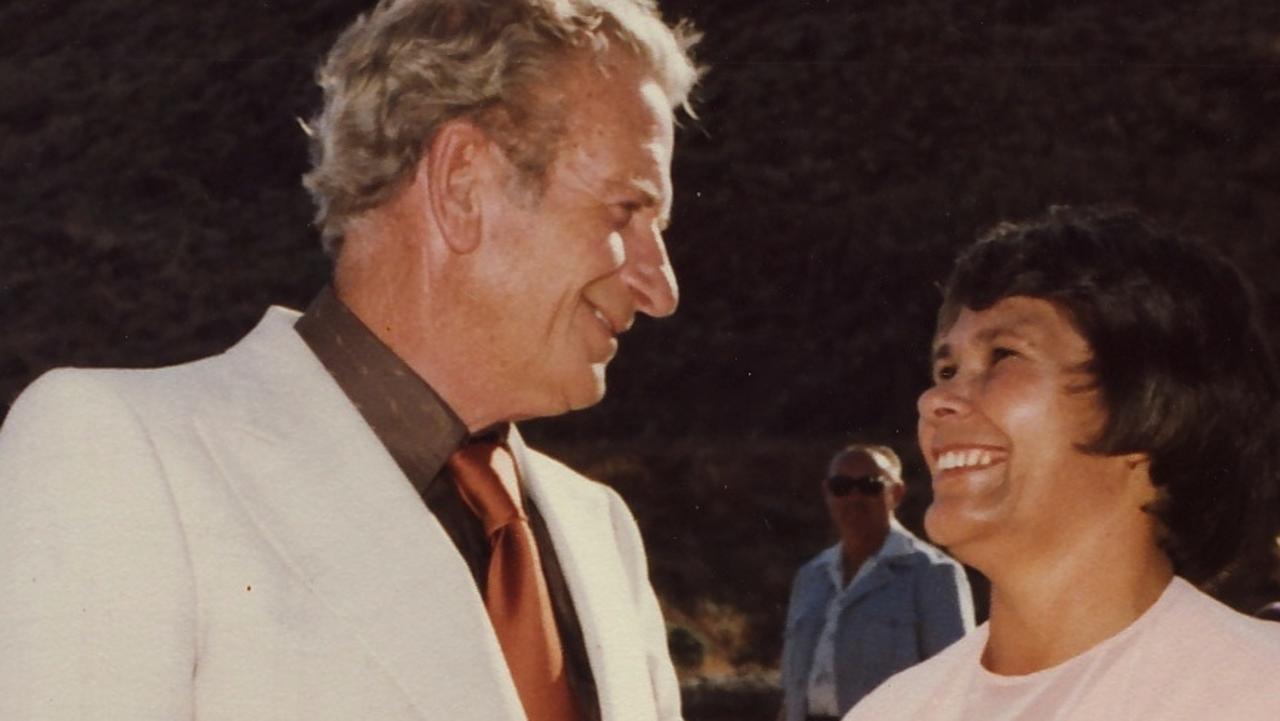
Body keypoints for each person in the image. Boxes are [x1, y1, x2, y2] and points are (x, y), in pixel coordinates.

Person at [0, 2, 700, 720]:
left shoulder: (601, 533)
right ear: (462, 183)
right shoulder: (117, 456)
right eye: (625, 211)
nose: (662, 288)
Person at [845, 206, 1280, 721]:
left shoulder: (1255, 689)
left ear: (1151, 409)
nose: (933, 400)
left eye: (1003, 355)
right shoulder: (892, 711)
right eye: (946, 368)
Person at [779, 443, 974, 721]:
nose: (854, 497)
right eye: (841, 486)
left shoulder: (933, 574)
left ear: (896, 493)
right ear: (827, 493)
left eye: (870, 485)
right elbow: (792, 688)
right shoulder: (811, 577)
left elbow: (955, 685)